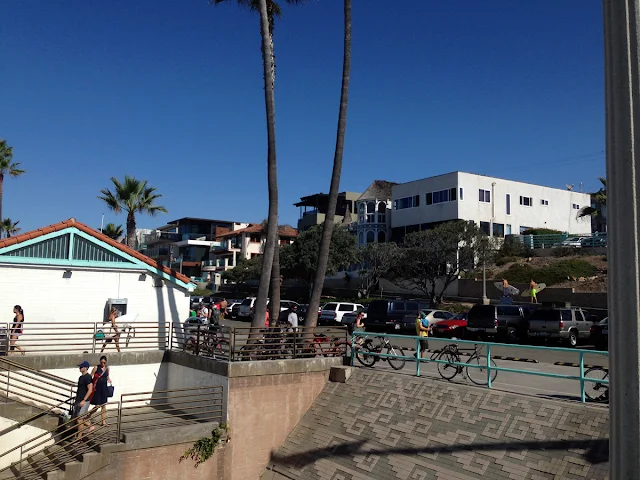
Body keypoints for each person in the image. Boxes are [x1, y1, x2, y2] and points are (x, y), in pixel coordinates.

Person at [75, 361, 95, 439]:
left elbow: (90, 389)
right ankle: (90, 426)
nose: (80, 368)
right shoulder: (81, 377)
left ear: (86, 368)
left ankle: (79, 438)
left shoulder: (87, 377)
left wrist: (84, 400)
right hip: (79, 400)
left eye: (81, 367)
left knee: (80, 419)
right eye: (80, 367)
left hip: (84, 401)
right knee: (78, 418)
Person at [90, 356, 112, 426]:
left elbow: (107, 376)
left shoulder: (107, 368)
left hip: (104, 388)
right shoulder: (96, 367)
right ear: (100, 362)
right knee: (97, 406)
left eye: (104, 362)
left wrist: (109, 379)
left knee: (104, 406)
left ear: (106, 362)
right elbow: (90, 376)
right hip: (97, 389)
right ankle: (88, 416)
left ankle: (103, 422)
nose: (103, 364)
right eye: (101, 362)